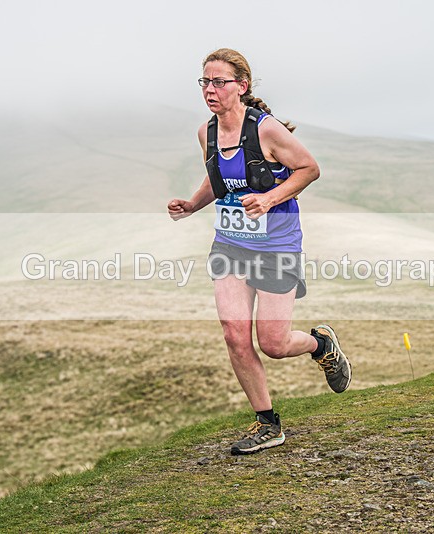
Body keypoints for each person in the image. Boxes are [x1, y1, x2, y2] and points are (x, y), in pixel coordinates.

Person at [167, 48, 351, 456]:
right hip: (230, 244)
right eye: (204, 82)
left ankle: (321, 346)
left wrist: (268, 199)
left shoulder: (266, 130)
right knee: (235, 335)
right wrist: (192, 205)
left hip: (276, 245)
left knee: (274, 342)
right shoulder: (207, 133)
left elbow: (309, 169)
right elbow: (219, 179)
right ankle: (267, 423)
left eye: (218, 82)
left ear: (242, 86)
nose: (209, 90)